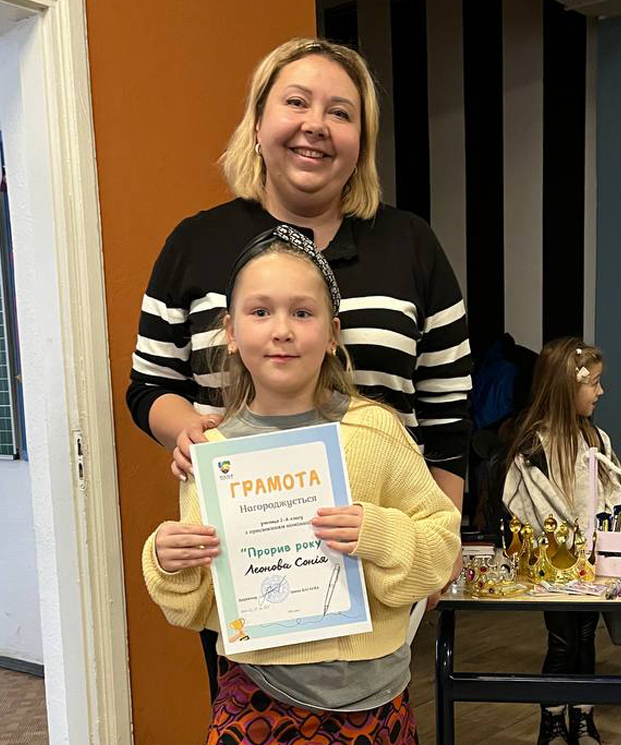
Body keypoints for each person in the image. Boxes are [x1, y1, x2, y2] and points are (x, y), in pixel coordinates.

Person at [128, 37, 470, 699]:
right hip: (251, 565)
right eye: (296, 103)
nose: (316, 124)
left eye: (340, 112)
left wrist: (440, 547)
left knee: (375, 709)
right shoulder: (195, 244)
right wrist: (192, 435)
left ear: (361, 142)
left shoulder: (411, 245)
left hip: (377, 558)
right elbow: (150, 384)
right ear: (258, 123)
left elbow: (448, 408)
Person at [142, 226, 461, 744]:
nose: (282, 330)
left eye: (302, 313)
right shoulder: (211, 454)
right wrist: (167, 561)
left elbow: (441, 545)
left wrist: (379, 534)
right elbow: (195, 605)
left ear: (332, 334)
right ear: (230, 331)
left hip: (375, 698)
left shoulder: (376, 432)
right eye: (260, 311)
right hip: (255, 695)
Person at [502, 337, 621, 745]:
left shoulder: (597, 441)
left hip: (593, 566)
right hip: (552, 567)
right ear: (566, 387)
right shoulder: (533, 447)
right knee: (562, 640)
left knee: (586, 638)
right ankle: (551, 721)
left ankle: (583, 716)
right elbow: (524, 504)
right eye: (594, 382)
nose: (601, 391)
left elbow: (612, 495)